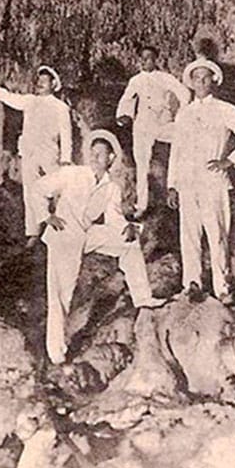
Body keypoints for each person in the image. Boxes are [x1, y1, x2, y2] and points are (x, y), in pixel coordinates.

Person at [33, 130, 166, 365]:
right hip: (64, 236)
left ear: (111, 159)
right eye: (92, 154)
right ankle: (57, 352)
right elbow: (39, 188)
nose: (94, 158)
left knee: (130, 242)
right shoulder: (72, 174)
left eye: (100, 155)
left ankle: (143, 298)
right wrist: (46, 216)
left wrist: (130, 228)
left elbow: (115, 220)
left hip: (86, 234)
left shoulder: (111, 187)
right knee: (61, 294)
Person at [167, 58, 235, 306]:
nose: (201, 82)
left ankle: (223, 286)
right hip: (187, 181)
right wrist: (172, 184)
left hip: (212, 181)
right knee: (189, 236)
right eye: (196, 78)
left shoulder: (225, 109)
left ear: (214, 81)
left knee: (217, 233)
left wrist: (229, 161)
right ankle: (192, 284)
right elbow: (176, 149)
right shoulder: (184, 113)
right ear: (191, 83)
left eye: (206, 77)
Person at [0, 66, 73, 245]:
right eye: (39, 80)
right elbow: (7, 96)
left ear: (53, 84)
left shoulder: (60, 107)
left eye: (45, 81)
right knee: (29, 190)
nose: (40, 83)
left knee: (59, 189)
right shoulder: (30, 101)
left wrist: (66, 159)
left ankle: (64, 224)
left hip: (49, 152)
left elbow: (66, 134)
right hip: (29, 151)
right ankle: (33, 232)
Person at [115, 45, 191, 216]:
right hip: (142, 124)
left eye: (149, 58)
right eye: (142, 58)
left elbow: (184, 94)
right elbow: (126, 99)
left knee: (181, 146)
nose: (145, 61)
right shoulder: (136, 80)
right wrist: (123, 115)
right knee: (141, 163)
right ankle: (142, 205)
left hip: (163, 122)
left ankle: (176, 191)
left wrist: (180, 114)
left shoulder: (165, 78)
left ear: (156, 59)